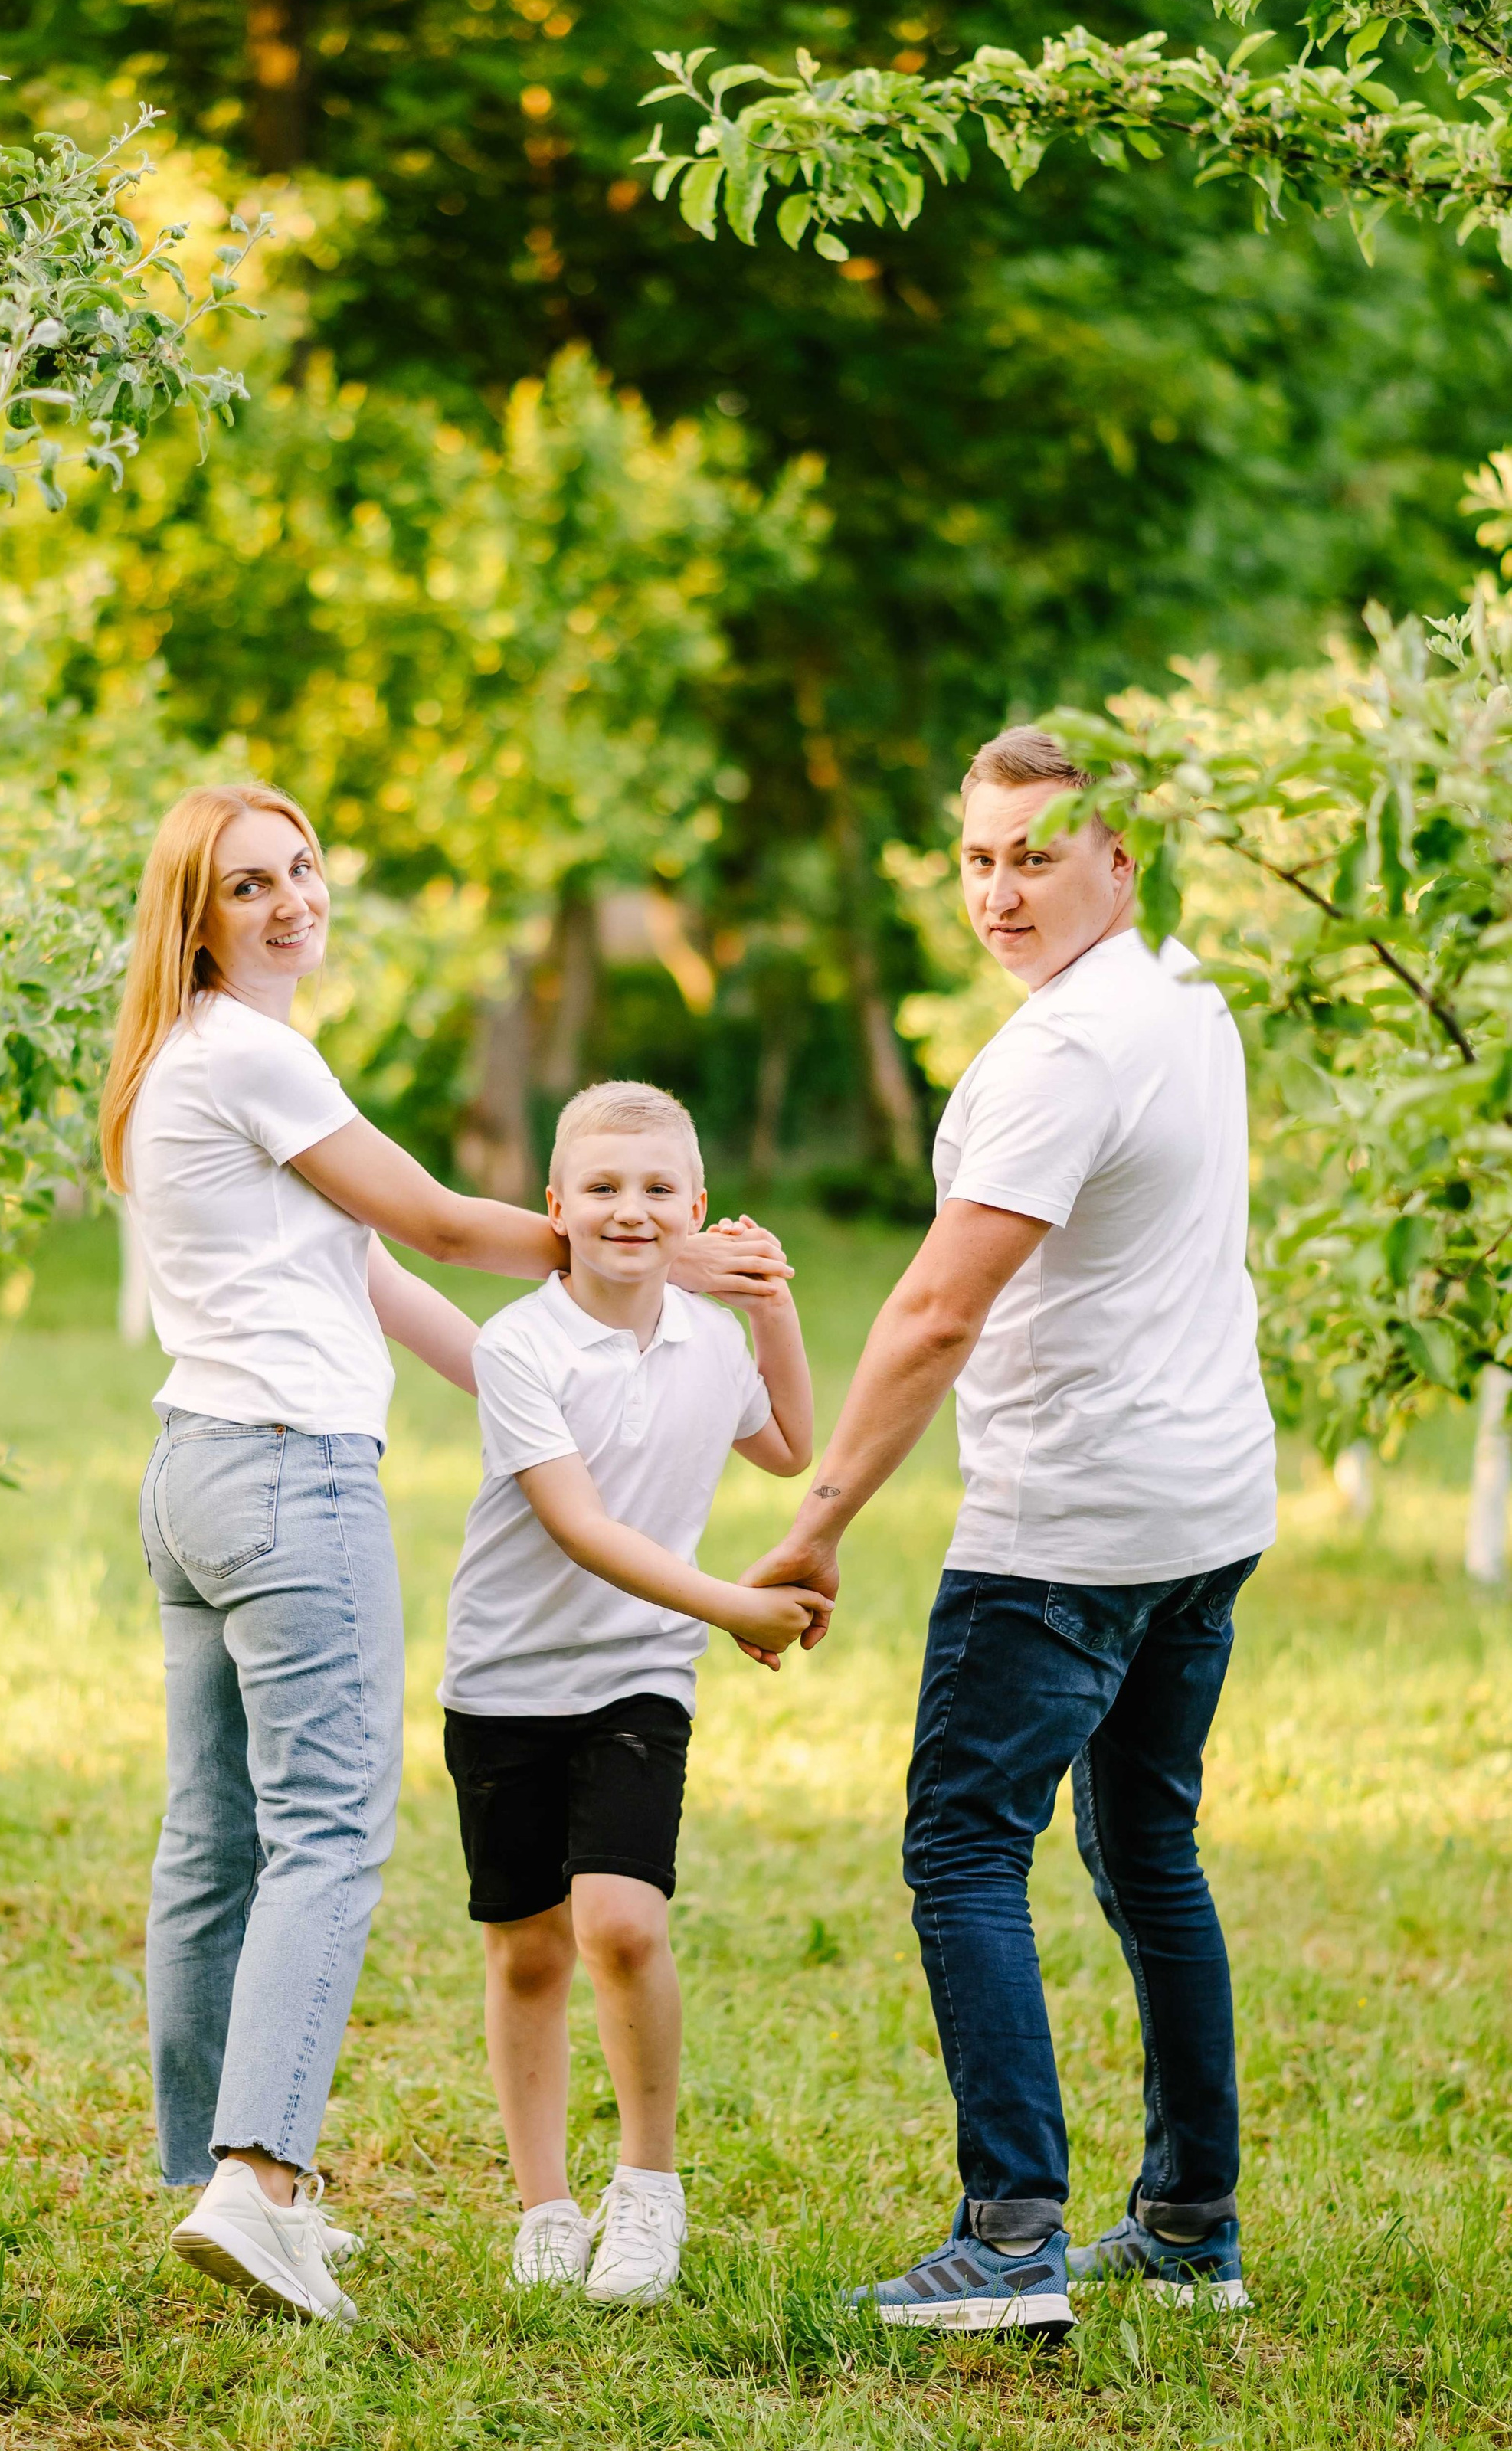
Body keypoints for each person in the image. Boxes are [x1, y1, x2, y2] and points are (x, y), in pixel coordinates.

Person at [98, 784, 790, 2327]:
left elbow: (367, 1268)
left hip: (192, 1475)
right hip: (288, 1484)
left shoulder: (179, 1061)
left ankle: (201, 2176)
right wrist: (640, 1248)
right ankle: (260, 2178)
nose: (291, 902)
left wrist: (537, 1382)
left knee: (212, 1843)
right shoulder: (256, 1054)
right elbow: (436, 1218)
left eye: (302, 870)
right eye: (249, 886)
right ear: (195, 920)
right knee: (325, 1834)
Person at [743, 725, 1278, 2335]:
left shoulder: (1062, 1056)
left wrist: (818, 1516)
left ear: (1122, 856)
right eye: (976, 858)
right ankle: (1188, 2225)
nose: (997, 891)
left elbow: (927, 1315)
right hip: (1204, 1507)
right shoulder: (1182, 997)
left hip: (1070, 1524)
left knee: (962, 1847)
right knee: (1146, 1849)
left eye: (1034, 855)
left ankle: (1007, 2234)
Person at [438, 1082, 823, 2306]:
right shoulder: (519, 1347)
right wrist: (733, 1604)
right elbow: (581, 1528)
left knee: (622, 1924)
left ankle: (646, 2188)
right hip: (503, 1679)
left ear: (697, 1209)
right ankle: (544, 2206)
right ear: (556, 1209)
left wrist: (773, 1309)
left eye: (658, 1189)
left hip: (639, 1675)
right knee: (530, 1951)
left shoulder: (709, 1337)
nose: (630, 1211)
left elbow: (787, 1445)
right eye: (602, 1188)